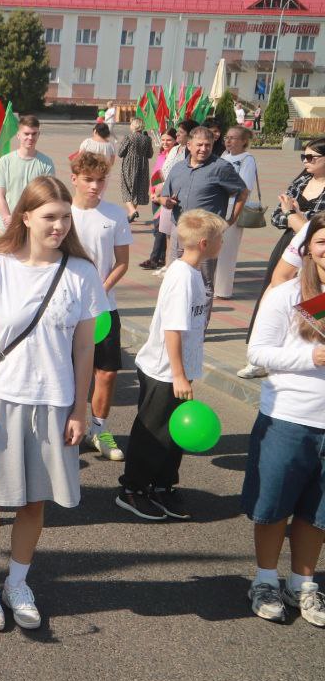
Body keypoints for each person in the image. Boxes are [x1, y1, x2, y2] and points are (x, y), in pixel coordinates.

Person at [0, 176, 107, 631]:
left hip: (56, 402)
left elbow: (86, 350)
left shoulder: (81, 273)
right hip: (3, 400)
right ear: (25, 217)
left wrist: (80, 409)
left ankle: (17, 582)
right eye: (49, 217)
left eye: (66, 217)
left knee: (34, 502)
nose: (59, 226)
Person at [116, 210, 226, 522]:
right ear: (205, 243)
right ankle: (132, 489)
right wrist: (178, 374)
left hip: (180, 371)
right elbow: (173, 330)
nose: (223, 244)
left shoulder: (193, 272)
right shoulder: (180, 277)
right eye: (221, 239)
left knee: (174, 434)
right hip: (164, 371)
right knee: (153, 433)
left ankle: (162, 486)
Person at [243, 212, 325, 625]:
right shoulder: (286, 295)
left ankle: (302, 584)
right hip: (289, 417)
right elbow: (258, 352)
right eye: (322, 241)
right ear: (308, 247)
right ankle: (265, 579)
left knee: (318, 512)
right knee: (273, 506)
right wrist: (310, 356)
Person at [240, 136, 325, 379]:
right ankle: (261, 353)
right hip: (289, 245)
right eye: (303, 156)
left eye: (311, 157)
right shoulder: (301, 181)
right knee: (275, 292)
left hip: (315, 254)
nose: (305, 161)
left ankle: (304, 349)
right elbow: (278, 216)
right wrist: (294, 218)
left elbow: (318, 230)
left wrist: (296, 217)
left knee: (310, 297)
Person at [68, 152, 132, 461]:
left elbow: (122, 263)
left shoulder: (115, 215)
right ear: (75, 180)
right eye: (89, 180)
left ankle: (99, 429)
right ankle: (66, 424)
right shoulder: (63, 214)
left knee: (106, 373)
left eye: (101, 180)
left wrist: (100, 290)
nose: (95, 186)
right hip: (68, 309)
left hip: (105, 308)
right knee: (65, 370)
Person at [158, 125, 249, 325]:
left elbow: (243, 192)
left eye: (208, 145)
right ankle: (173, 322)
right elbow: (164, 194)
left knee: (204, 283)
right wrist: (165, 201)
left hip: (206, 237)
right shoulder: (178, 167)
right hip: (179, 232)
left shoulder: (221, 167)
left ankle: (199, 327)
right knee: (175, 278)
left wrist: (230, 220)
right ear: (189, 145)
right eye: (199, 145)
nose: (203, 149)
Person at [215, 126, 260, 300]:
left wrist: (234, 212)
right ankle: (211, 284)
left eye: (233, 138)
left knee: (228, 249)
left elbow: (245, 187)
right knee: (215, 248)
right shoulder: (224, 157)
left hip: (233, 207)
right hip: (219, 205)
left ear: (243, 141)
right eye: (227, 137)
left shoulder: (247, 159)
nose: (228, 141)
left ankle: (223, 289)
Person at [0, 115, 55, 232]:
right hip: (6, 225)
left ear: (38, 135)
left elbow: (48, 196)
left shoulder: (47, 163)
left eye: (34, 134)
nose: (30, 137)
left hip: (34, 225)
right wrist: (7, 217)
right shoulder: (5, 161)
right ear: (18, 135)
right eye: (26, 134)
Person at [140, 126, 184, 271]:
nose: (165, 142)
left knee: (160, 228)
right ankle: (161, 258)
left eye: (169, 140)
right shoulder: (162, 155)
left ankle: (154, 259)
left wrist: (159, 193)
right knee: (159, 229)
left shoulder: (175, 156)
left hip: (164, 196)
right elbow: (156, 174)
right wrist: (152, 192)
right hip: (155, 195)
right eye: (163, 139)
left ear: (175, 141)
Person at [117, 117, 154, 221]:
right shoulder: (147, 139)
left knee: (126, 189)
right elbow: (150, 155)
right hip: (142, 166)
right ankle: (131, 214)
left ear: (133, 126)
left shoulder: (128, 137)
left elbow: (120, 153)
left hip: (128, 166)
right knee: (138, 190)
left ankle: (132, 211)